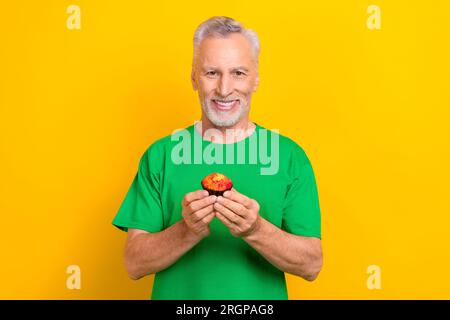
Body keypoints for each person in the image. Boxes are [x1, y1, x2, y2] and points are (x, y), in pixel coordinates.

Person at [112, 16, 323, 299]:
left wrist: (255, 229)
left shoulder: (289, 157)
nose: (224, 89)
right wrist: (187, 230)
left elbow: (311, 265)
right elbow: (133, 264)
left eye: (238, 73)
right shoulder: (161, 155)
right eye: (212, 73)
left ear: (256, 78)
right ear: (194, 77)